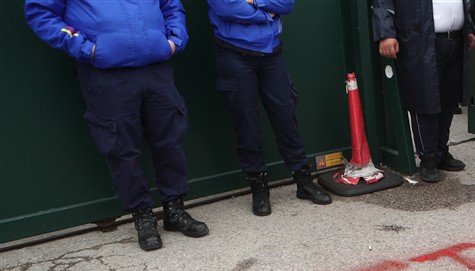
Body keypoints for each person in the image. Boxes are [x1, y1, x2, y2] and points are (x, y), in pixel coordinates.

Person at [25, 0, 210, 251]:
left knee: (169, 140)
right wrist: (87, 49)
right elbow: (42, 13)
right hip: (105, 74)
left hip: (156, 68)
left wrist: (174, 40)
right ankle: (143, 217)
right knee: (121, 147)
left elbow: (171, 6)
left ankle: (174, 210)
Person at [208, 0, 331, 216]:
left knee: (285, 116)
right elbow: (227, 7)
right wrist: (266, 14)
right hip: (234, 54)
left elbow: (286, 4)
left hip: (272, 53)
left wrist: (255, 1)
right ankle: (259, 188)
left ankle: (303, 181)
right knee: (247, 123)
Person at [373, 0, 475, 183]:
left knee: (450, 100)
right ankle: (427, 157)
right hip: (421, 40)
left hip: (455, 39)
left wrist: (468, 27)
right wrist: (386, 33)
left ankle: (440, 151)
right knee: (424, 98)